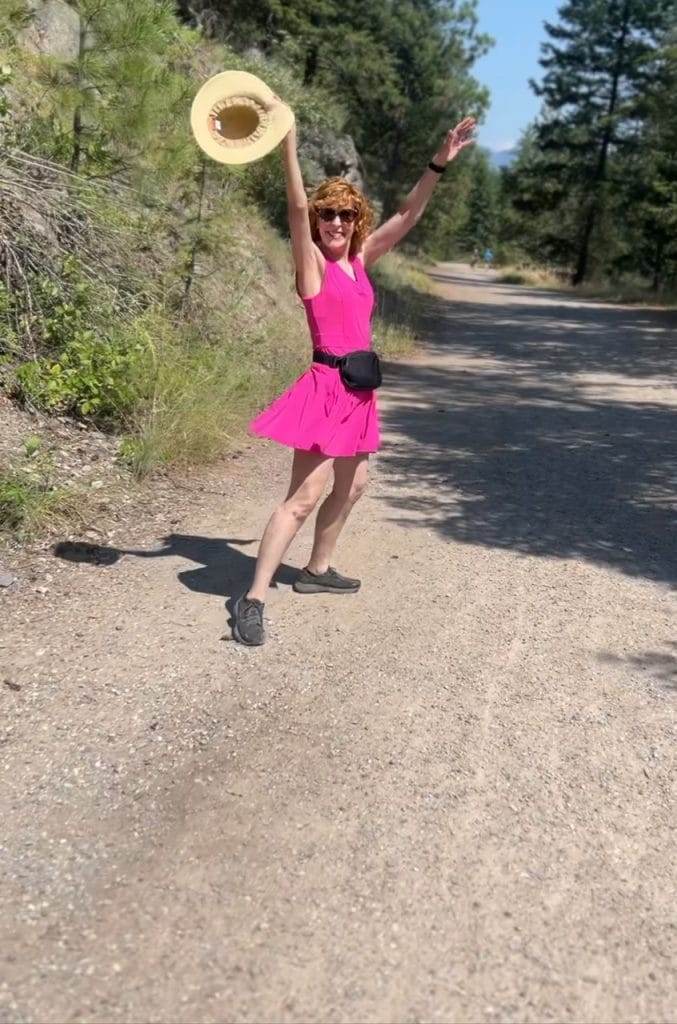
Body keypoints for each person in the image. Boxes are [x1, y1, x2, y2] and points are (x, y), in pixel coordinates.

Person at [233, 102, 476, 646]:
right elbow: (295, 210)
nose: (335, 222)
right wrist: (288, 144)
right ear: (318, 224)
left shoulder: (360, 260)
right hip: (325, 389)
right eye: (328, 215)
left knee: (357, 482)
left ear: (355, 221)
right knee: (303, 497)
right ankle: (253, 598)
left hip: (360, 391)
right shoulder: (314, 265)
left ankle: (317, 571)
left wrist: (439, 161)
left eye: (344, 215)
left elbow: (409, 215)